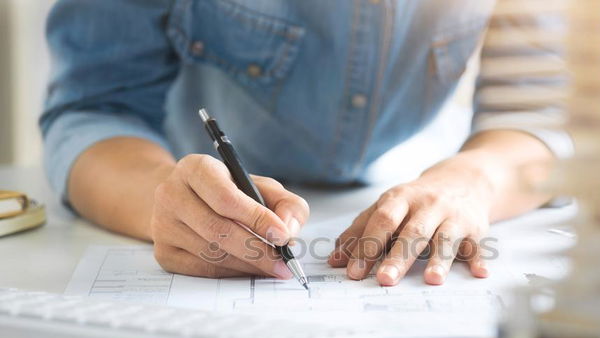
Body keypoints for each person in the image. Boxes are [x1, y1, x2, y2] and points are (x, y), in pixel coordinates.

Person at [41, 0, 568, 286]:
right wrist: (159, 199)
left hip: (430, 180)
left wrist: (471, 181)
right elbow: (94, 107)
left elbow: (541, 110)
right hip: (186, 193)